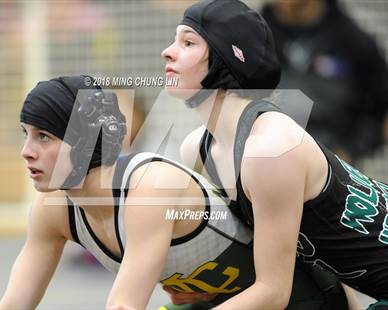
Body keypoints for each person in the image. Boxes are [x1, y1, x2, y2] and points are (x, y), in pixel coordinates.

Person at [0, 75, 348, 310]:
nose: (26, 150)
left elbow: (124, 306)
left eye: (44, 136)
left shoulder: (148, 188)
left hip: (303, 301)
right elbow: (14, 304)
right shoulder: (52, 209)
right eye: (25, 133)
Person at [160, 0, 388, 309]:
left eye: (188, 42)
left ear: (227, 58)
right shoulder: (197, 149)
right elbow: (281, 262)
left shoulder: (270, 150)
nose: (168, 52)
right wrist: (197, 286)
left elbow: (273, 292)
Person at [260, 0, 388, 163]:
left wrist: (347, 152)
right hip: (263, 162)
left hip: (331, 167)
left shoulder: (355, 43)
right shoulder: (251, 36)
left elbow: (377, 111)